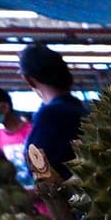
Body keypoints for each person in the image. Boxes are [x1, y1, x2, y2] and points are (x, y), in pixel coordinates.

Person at [17, 44, 83, 180]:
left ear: (29, 80)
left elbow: (40, 169)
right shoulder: (80, 107)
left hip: (72, 197)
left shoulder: (50, 115)